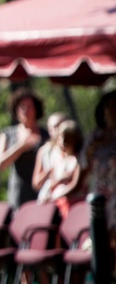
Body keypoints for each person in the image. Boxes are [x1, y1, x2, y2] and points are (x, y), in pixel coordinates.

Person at [0, 87, 48, 208]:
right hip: (19, 192)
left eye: (29, 106)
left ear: (36, 109)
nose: (26, 110)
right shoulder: (7, 134)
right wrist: (20, 147)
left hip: (43, 191)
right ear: (16, 110)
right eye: (22, 107)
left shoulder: (46, 135)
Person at [85, 91, 116, 249]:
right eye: (108, 106)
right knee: (100, 237)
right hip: (99, 191)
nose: (111, 110)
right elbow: (84, 164)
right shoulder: (95, 136)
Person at [40, 120, 84, 218]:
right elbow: (52, 183)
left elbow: (75, 185)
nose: (63, 142)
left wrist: (54, 197)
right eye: (61, 137)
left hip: (73, 204)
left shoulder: (78, 160)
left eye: (67, 139)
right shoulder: (60, 159)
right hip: (57, 204)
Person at [33, 112, 69, 203]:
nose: (56, 131)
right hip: (48, 199)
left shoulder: (73, 149)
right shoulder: (45, 151)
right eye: (52, 128)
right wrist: (49, 171)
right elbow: (36, 183)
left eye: (59, 126)